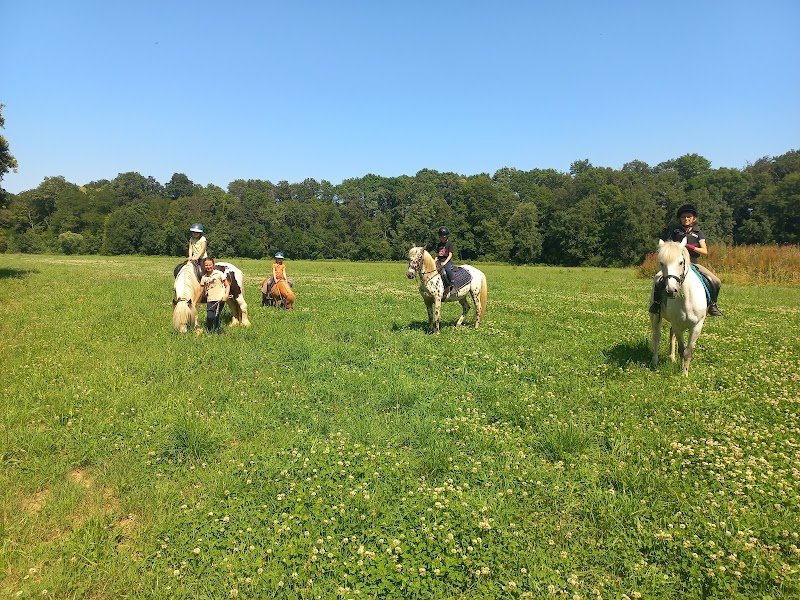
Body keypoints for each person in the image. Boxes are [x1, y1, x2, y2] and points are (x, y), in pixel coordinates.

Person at [649, 204, 723, 316]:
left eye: (689, 217)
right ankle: (656, 303)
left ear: (694, 218)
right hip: (676, 265)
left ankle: (712, 305)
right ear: (680, 219)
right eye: (684, 217)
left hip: (693, 263)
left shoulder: (698, 233)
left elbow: (704, 251)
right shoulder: (675, 232)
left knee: (716, 281)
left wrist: (690, 247)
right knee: (658, 279)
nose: (686, 219)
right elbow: (669, 247)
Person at [200, 257, 230, 333]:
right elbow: (201, 291)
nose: (208, 267)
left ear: (213, 265)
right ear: (204, 266)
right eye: (206, 265)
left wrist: (226, 295)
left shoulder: (219, 274)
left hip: (220, 299)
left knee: (216, 316)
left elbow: (227, 285)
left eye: (210, 265)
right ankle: (210, 331)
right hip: (210, 299)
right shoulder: (204, 277)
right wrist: (196, 301)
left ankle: (217, 331)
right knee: (210, 316)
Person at [435, 226, 455, 296]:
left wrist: (445, 262)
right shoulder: (439, 244)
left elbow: (450, 255)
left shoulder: (449, 244)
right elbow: (437, 255)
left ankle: (452, 285)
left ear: (447, 236)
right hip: (439, 261)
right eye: (441, 237)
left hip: (447, 261)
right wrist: (434, 261)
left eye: (444, 237)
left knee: (448, 270)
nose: (442, 238)